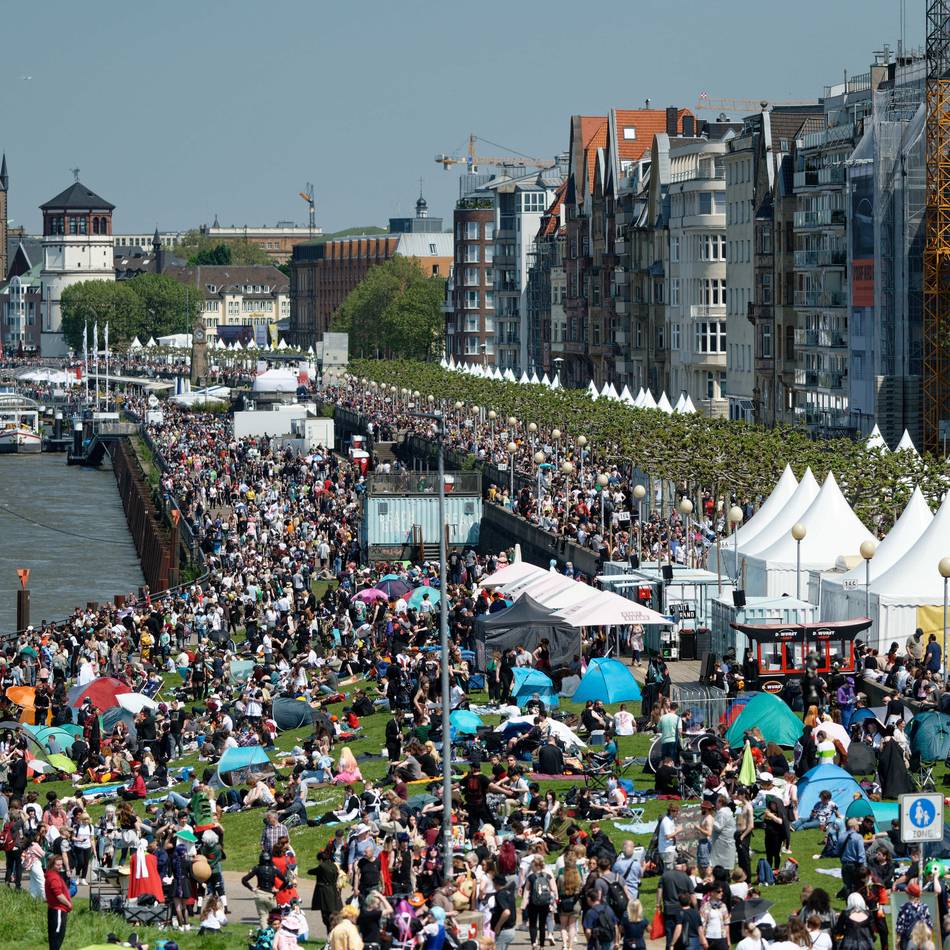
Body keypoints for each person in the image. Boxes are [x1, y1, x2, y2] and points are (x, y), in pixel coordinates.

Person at [522, 854, 557, 950]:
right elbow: (553, 889)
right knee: (542, 924)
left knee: (533, 924)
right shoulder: (548, 876)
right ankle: (542, 945)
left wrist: (523, 905)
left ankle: (534, 943)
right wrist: (553, 902)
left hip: (533, 903)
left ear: (535, 866)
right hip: (545, 903)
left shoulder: (531, 877)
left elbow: (526, 891)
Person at [44, 852, 72, 950]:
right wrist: (69, 904)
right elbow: (59, 895)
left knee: (54, 937)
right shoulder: (54, 877)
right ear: (52, 865)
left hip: (55, 909)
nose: (60, 867)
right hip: (58, 910)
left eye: (61, 864)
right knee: (58, 936)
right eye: (58, 865)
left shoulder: (53, 875)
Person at [895, 882, 932, 950]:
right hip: (922, 939)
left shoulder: (904, 907)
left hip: (908, 939)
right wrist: (929, 940)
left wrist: (898, 940)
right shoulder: (924, 907)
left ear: (909, 894)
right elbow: (929, 925)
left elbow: (900, 926)